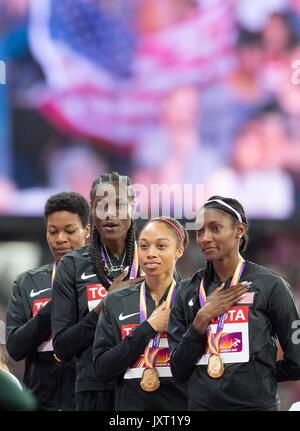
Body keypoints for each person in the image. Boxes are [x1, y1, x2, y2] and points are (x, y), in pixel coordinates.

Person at [168, 195, 300, 411]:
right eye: (200, 231)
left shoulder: (271, 286)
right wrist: (200, 321)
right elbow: (177, 369)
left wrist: (252, 375)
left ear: (239, 230)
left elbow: (298, 362)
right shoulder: (186, 291)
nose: (205, 238)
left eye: (215, 228)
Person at [52, 172, 144, 411]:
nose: (111, 214)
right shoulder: (71, 265)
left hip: (147, 384)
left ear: (133, 207)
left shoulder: (152, 260)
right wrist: (107, 304)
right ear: (92, 209)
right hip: (93, 391)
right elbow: (61, 346)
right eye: (102, 205)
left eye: (120, 205)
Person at [93, 217, 189, 411]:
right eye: (144, 246)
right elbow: (102, 369)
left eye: (161, 246)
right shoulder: (115, 301)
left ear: (179, 251)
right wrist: (148, 328)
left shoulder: (192, 301)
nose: (150, 253)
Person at [6, 191, 90, 410]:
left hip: (88, 401)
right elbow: (15, 348)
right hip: (40, 402)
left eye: (69, 231)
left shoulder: (102, 283)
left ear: (86, 232)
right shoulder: (28, 283)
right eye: (53, 231)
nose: (60, 239)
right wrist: (58, 304)